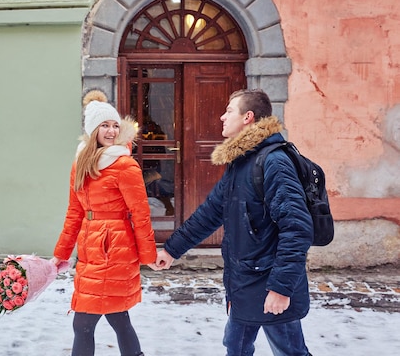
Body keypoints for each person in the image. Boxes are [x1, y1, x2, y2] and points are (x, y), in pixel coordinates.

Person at [153, 89, 314, 356]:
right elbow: (209, 214)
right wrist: (172, 250)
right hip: (243, 281)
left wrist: (281, 288)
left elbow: (297, 228)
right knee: (235, 347)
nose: (222, 116)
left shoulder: (274, 162)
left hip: (269, 281)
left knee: (290, 350)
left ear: (248, 117)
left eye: (229, 110)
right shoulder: (241, 163)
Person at [52, 89, 157, 356]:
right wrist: (61, 254)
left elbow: (140, 212)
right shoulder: (81, 164)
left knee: (83, 322)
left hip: (114, 247)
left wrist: (148, 255)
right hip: (91, 247)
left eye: (114, 125)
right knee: (117, 317)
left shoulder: (124, 165)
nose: (111, 131)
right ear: (92, 130)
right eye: (104, 126)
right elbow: (74, 211)